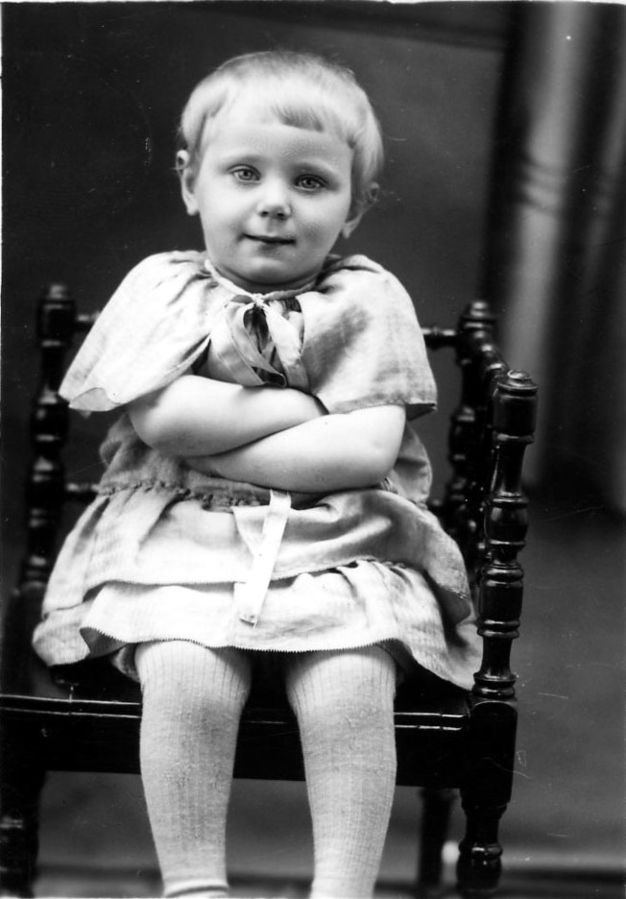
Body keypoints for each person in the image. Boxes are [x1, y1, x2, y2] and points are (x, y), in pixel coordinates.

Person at [33, 50, 481, 899]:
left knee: (353, 680)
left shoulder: (368, 300)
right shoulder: (163, 289)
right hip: (178, 542)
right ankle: (195, 888)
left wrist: (223, 430)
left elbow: (363, 454)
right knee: (183, 669)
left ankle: (342, 892)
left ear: (355, 207)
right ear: (190, 181)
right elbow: (167, 423)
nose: (275, 201)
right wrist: (309, 406)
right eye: (245, 173)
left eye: (311, 181)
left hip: (341, 546)